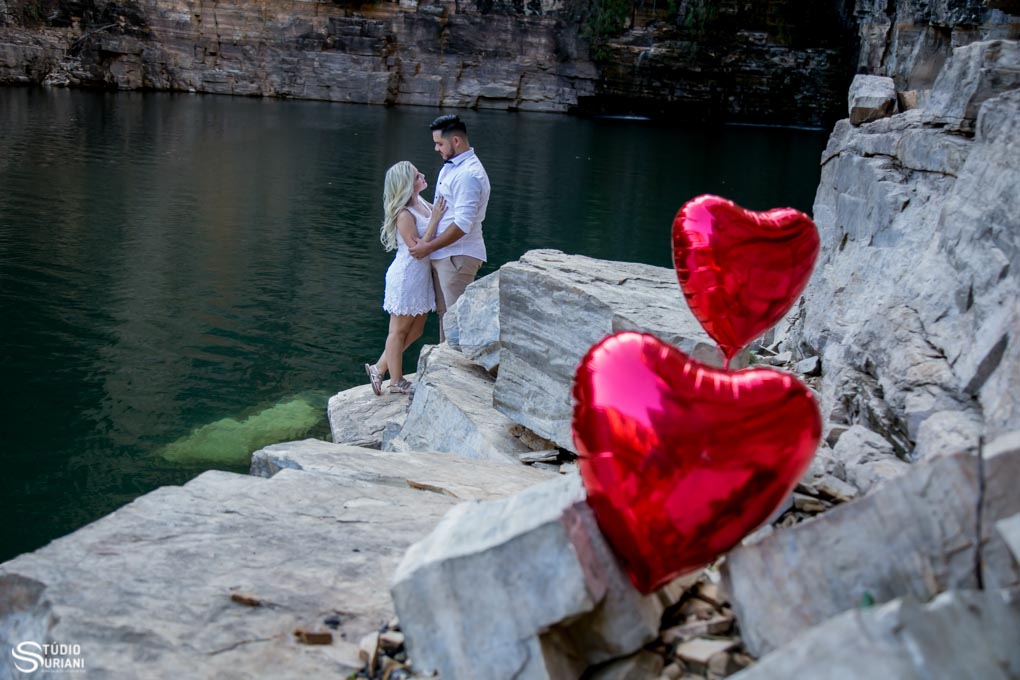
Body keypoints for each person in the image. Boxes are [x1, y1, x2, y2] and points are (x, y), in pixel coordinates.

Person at [365, 161, 447, 396]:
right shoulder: (403, 214)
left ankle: (379, 368)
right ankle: (396, 381)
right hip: (406, 277)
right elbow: (416, 248)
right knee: (398, 331)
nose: (422, 175)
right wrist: (434, 220)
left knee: (417, 331)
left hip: (421, 278)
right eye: (416, 176)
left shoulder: (420, 202)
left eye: (419, 172)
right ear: (405, 185)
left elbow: (440, 218)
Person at [408, 114, 490, 342]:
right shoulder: (451, 168)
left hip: (458, 255)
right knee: (447, 316)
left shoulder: (469, 175)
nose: (436, 148)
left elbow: (462, 225)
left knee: (457, 318)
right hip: (445, 253)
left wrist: (427, 247)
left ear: (456, 141)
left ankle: (457, 372)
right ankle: (444, 370)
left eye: (439, 143)